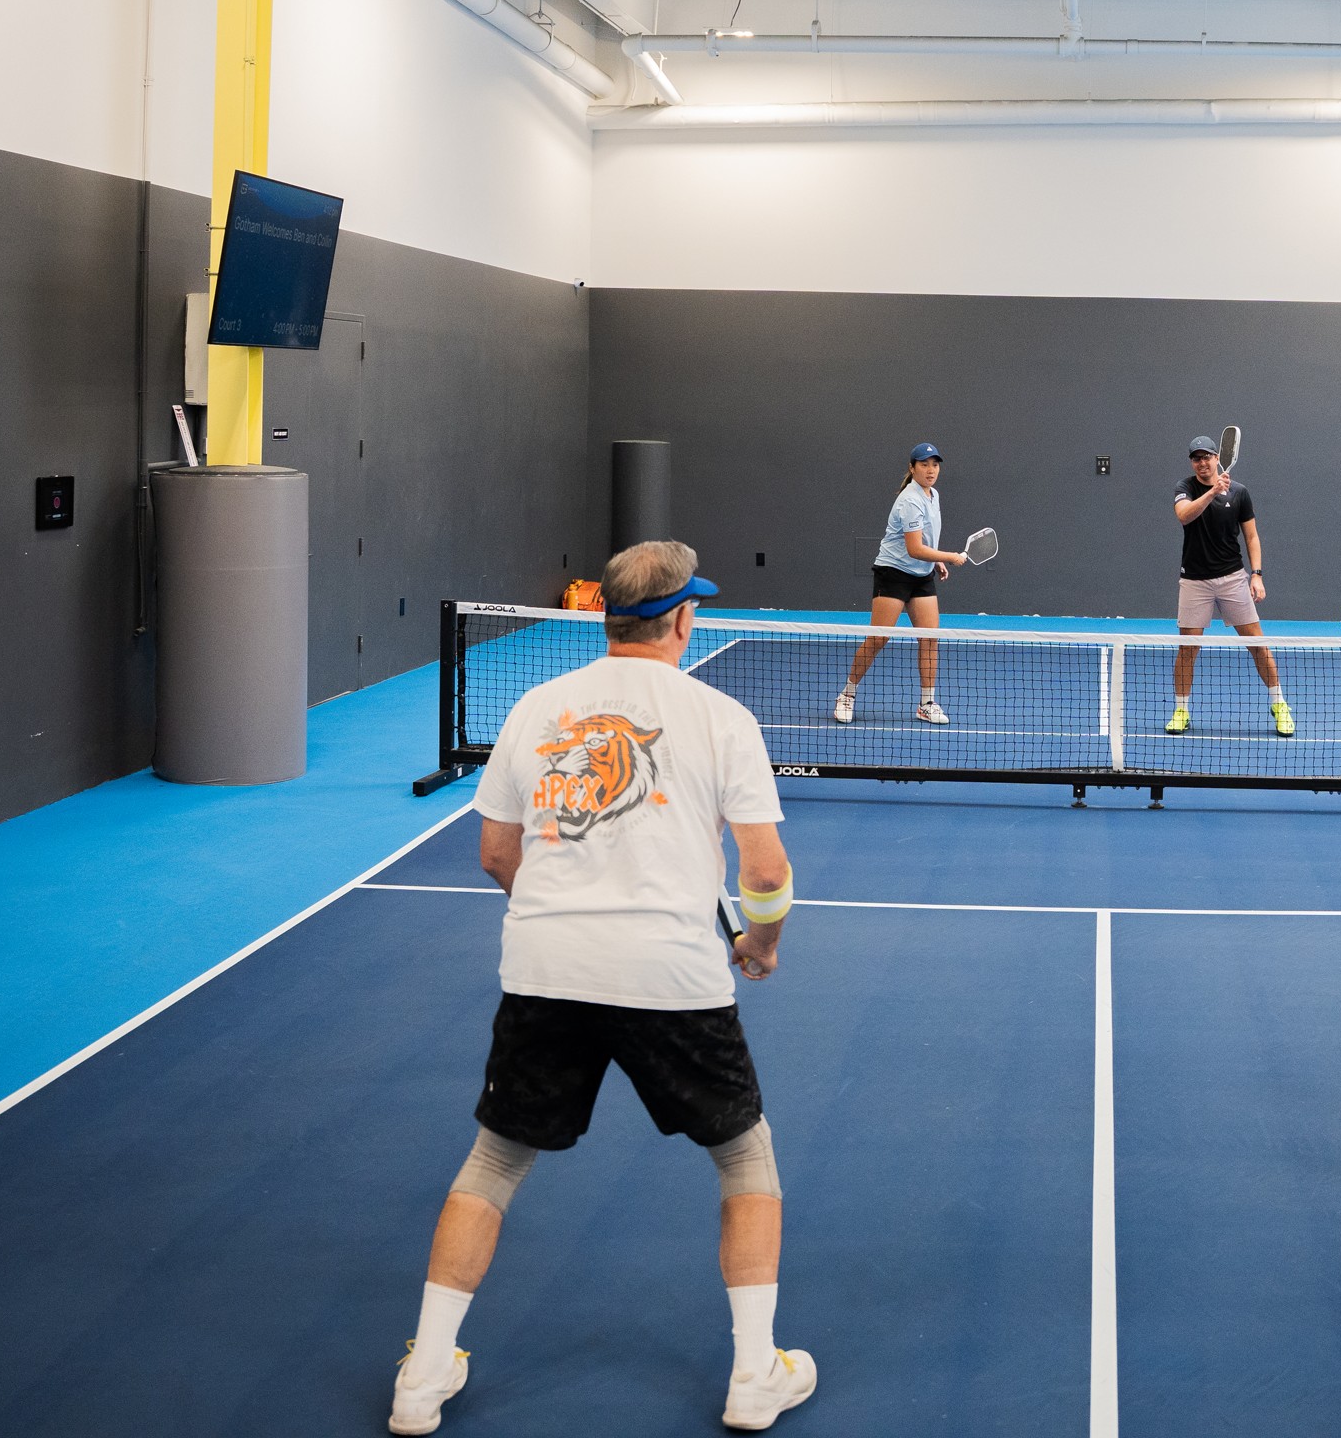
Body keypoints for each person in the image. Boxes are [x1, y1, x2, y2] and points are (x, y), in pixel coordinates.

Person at [388, 540, 815, 1436]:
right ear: (683, 619)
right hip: (674, 977)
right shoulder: (720, 716)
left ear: (605, 614)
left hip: (545, 969)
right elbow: (766, 868)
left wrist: (557, 911)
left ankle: (423, 1377)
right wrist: (764, 941)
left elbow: (498, 854)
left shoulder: (537, 708)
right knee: (746, 1162)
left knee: (494, 1163)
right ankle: (753, 1376)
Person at [835, 442, 968, 726]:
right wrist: (949, 556)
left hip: (921, 577)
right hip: (893, 573)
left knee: (930, 638)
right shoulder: (910, 500)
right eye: (924, 465)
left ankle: (926, 703)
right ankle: (847, 695)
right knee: (879, 638)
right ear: (912, 468)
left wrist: (935, 561)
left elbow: (924, 542)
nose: (931, 470)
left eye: (934, 464)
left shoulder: (933, 495)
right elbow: (913, 548)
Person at [1168, 435, 1291, 738]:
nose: (1201, 462)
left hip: (1233, 578)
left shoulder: (1239, 493)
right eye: (1196, 458)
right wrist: (1212, 492)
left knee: (1257, 646)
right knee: (1188, 649)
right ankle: (1181, 710)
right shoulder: (1184, 489)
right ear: (1192, 462)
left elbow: (1251, 537)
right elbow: (1185, 516)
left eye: (1206, 456)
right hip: (1195, 581)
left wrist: (1257, 574)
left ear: (1215, 457)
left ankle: (1280, 705)